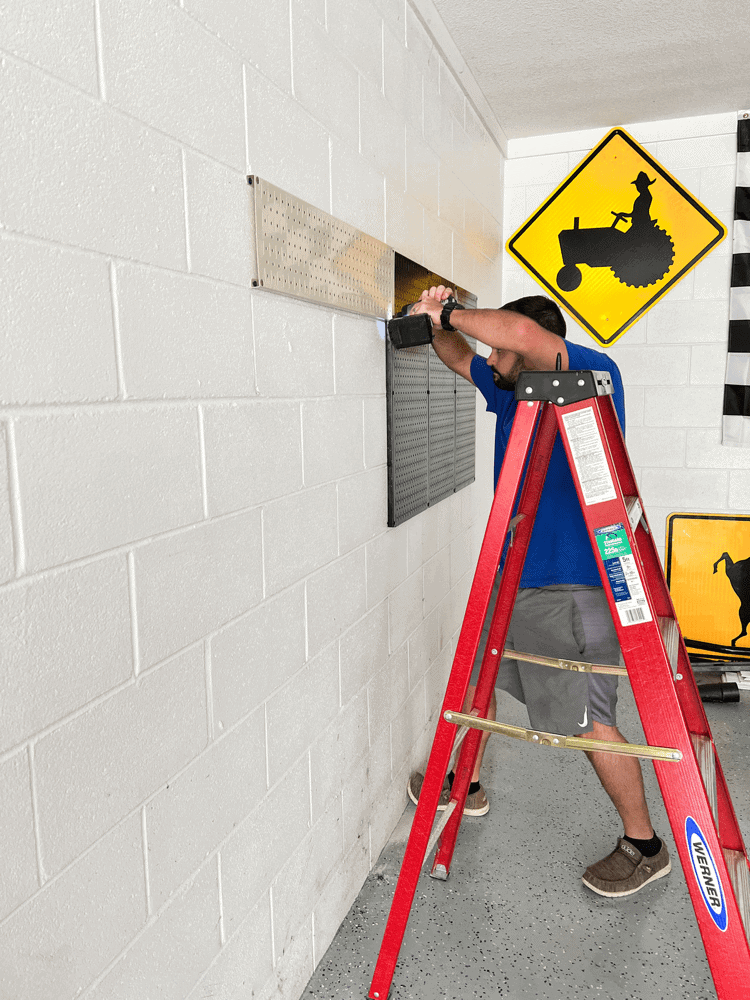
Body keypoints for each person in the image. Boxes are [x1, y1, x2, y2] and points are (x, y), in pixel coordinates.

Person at [406, 286, 671, 898]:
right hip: (515, 579)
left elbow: (520, 338)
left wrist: (448, 314)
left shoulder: (589, 371)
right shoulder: (510, 396)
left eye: (499, 349)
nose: (491, 360)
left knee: (589, 722)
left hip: (573, 581)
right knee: (478, 681)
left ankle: (643, 844)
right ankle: (466, 786)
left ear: (533, 347)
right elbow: (457, 355)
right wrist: (431, 318)